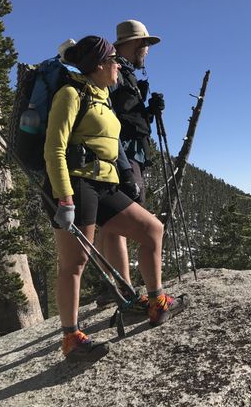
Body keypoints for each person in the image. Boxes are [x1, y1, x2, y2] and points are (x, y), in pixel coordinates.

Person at [43, 35, 184, 363]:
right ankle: (71, 339)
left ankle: (156, 302)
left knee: (152, 230)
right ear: (100, 65)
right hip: (77, 186)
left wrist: (124, 175)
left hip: (105, 185)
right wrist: (64, 198)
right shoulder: (71, 93)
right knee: (74, 264)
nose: (118, 66)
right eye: (113, 61)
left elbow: (113, 141)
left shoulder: (101, 95)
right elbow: (55, 148)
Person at [95, 20, 164, 308]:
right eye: (145, 45)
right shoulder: (115, 72)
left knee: (112, 225)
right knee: (122, 223)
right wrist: (124, 168)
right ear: (135, 43)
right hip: (121, 156)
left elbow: (126, 119)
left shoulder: (124, 73)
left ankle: (122, 289)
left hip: (123, 155)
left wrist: (148, 110)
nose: (147, 51)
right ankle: (130, 294)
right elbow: (109, 120)